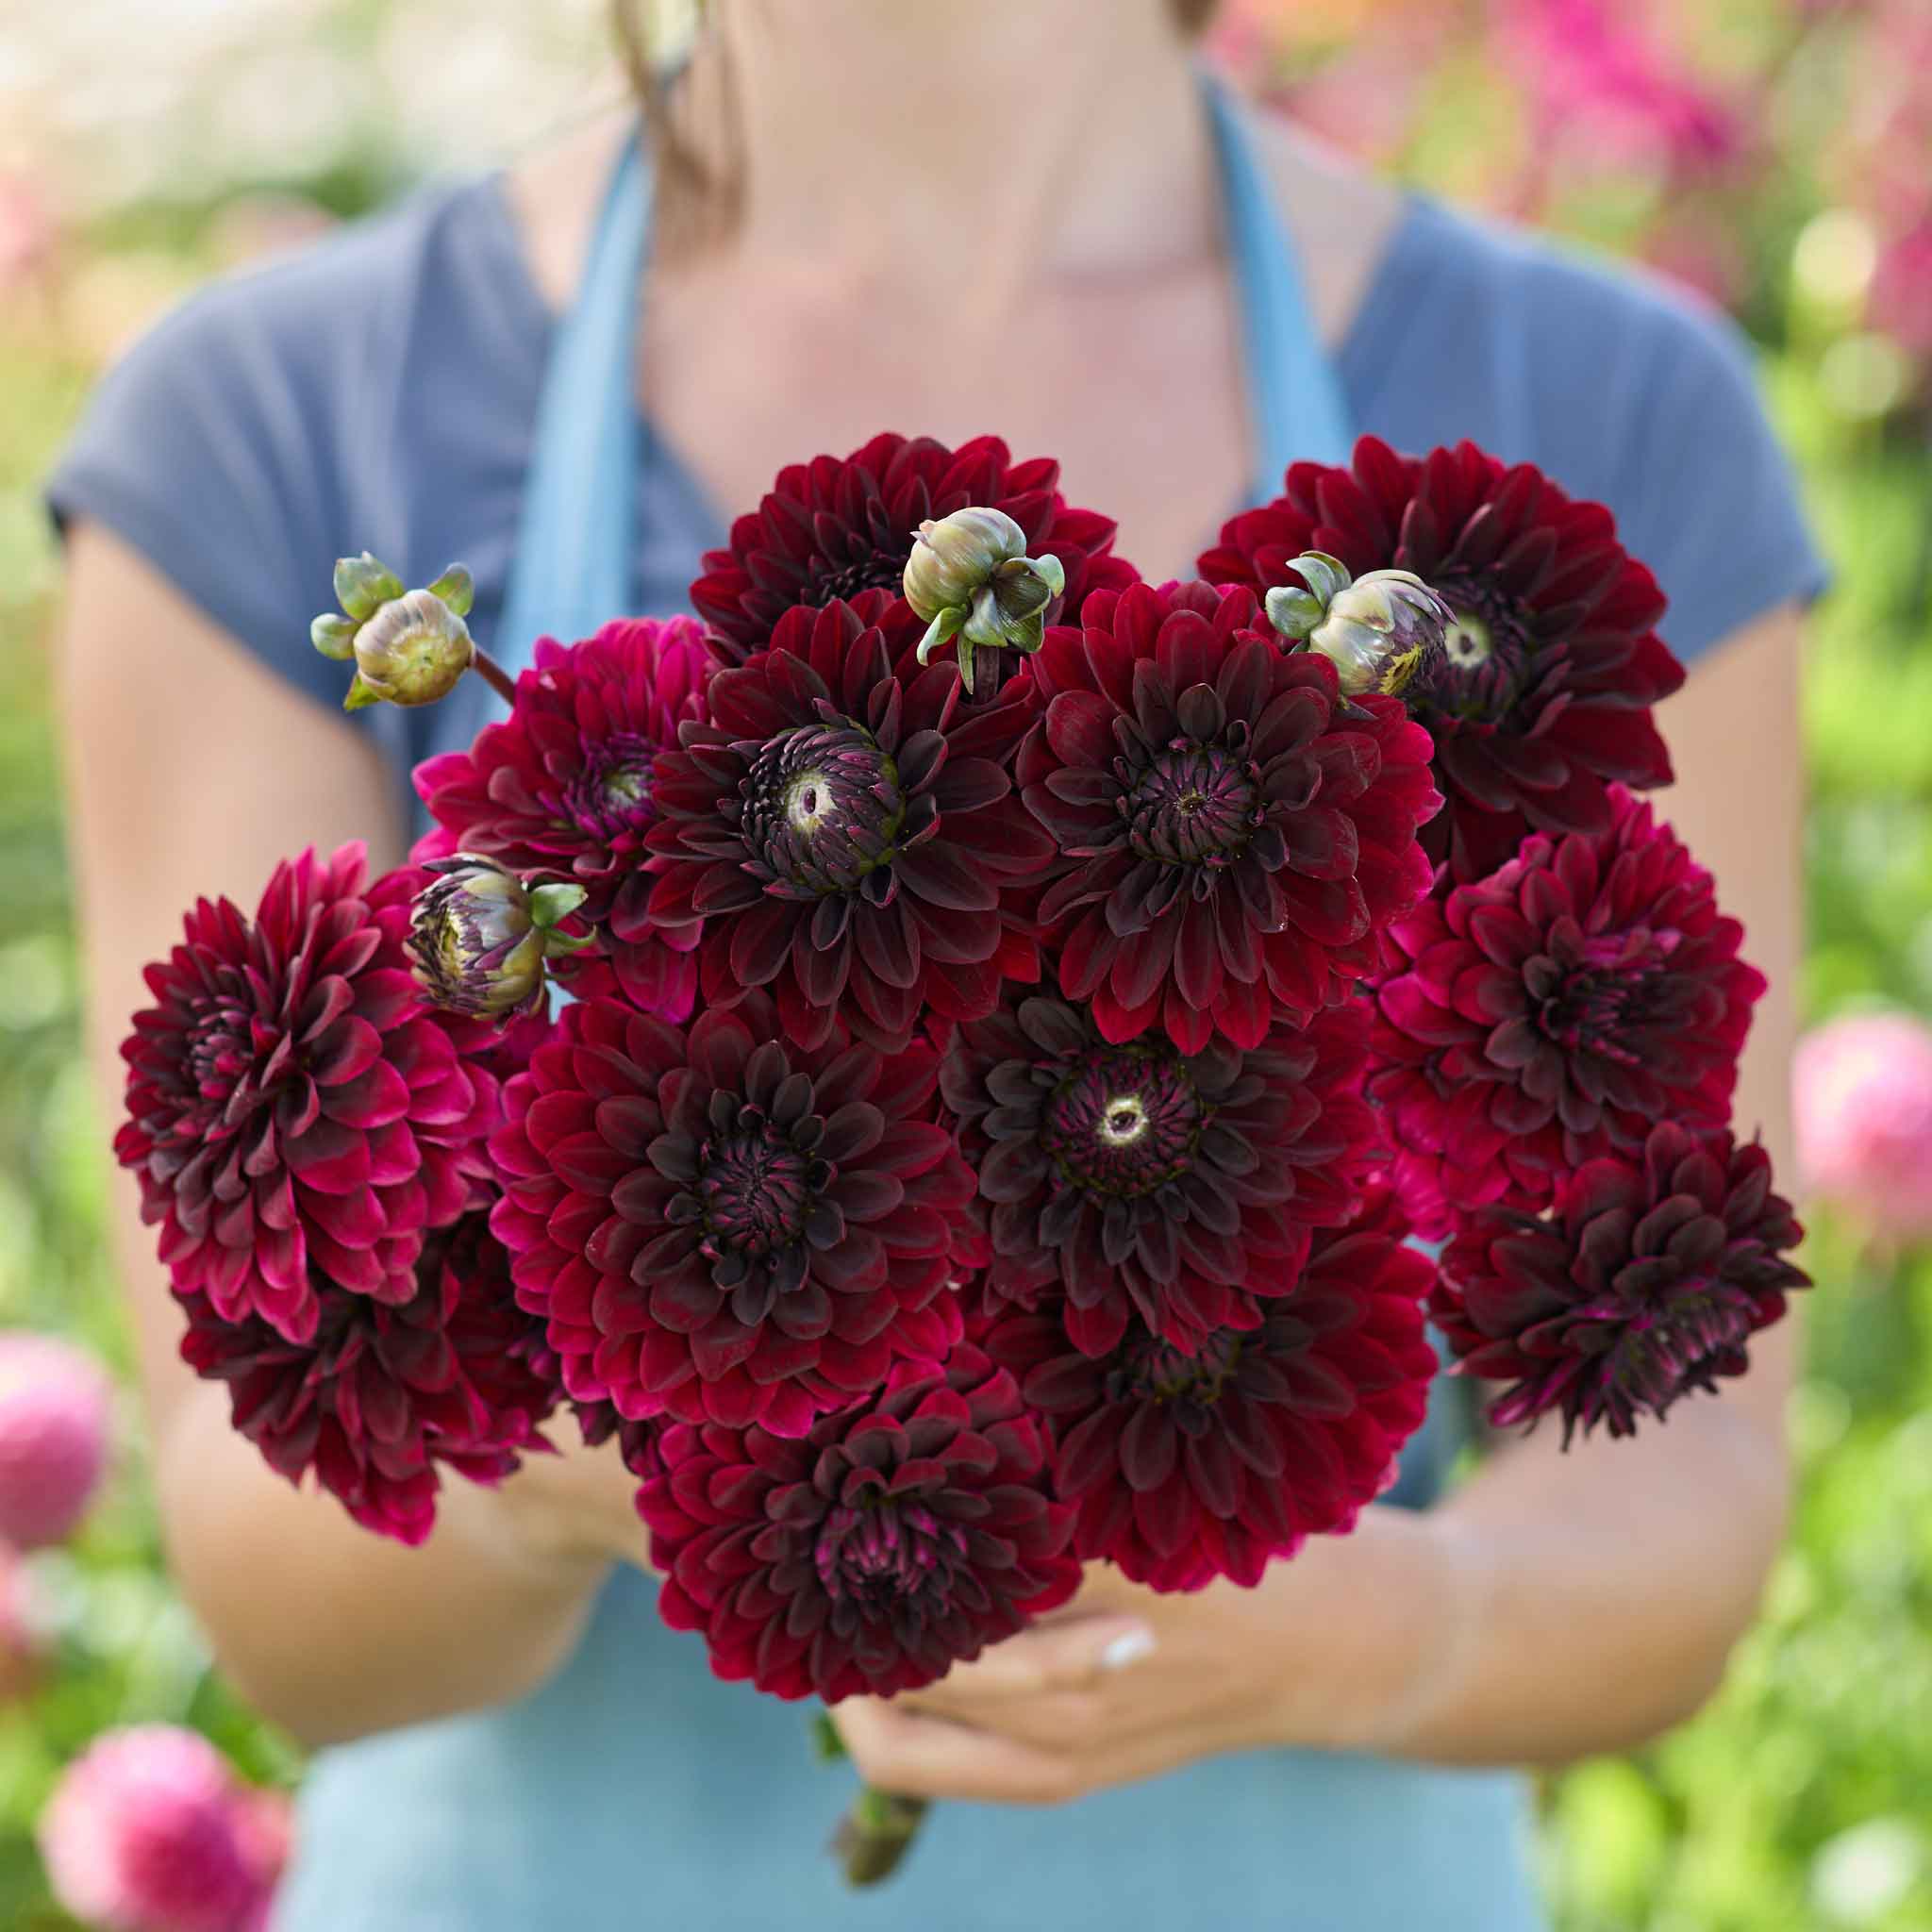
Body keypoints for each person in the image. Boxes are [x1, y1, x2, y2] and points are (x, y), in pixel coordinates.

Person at [51, 4, 1825, 1926]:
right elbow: (284, 1588)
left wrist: (1378, 1628)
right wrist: (561, 1452)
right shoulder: (272, 419)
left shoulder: (1600, 401)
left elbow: (1681, 1443)